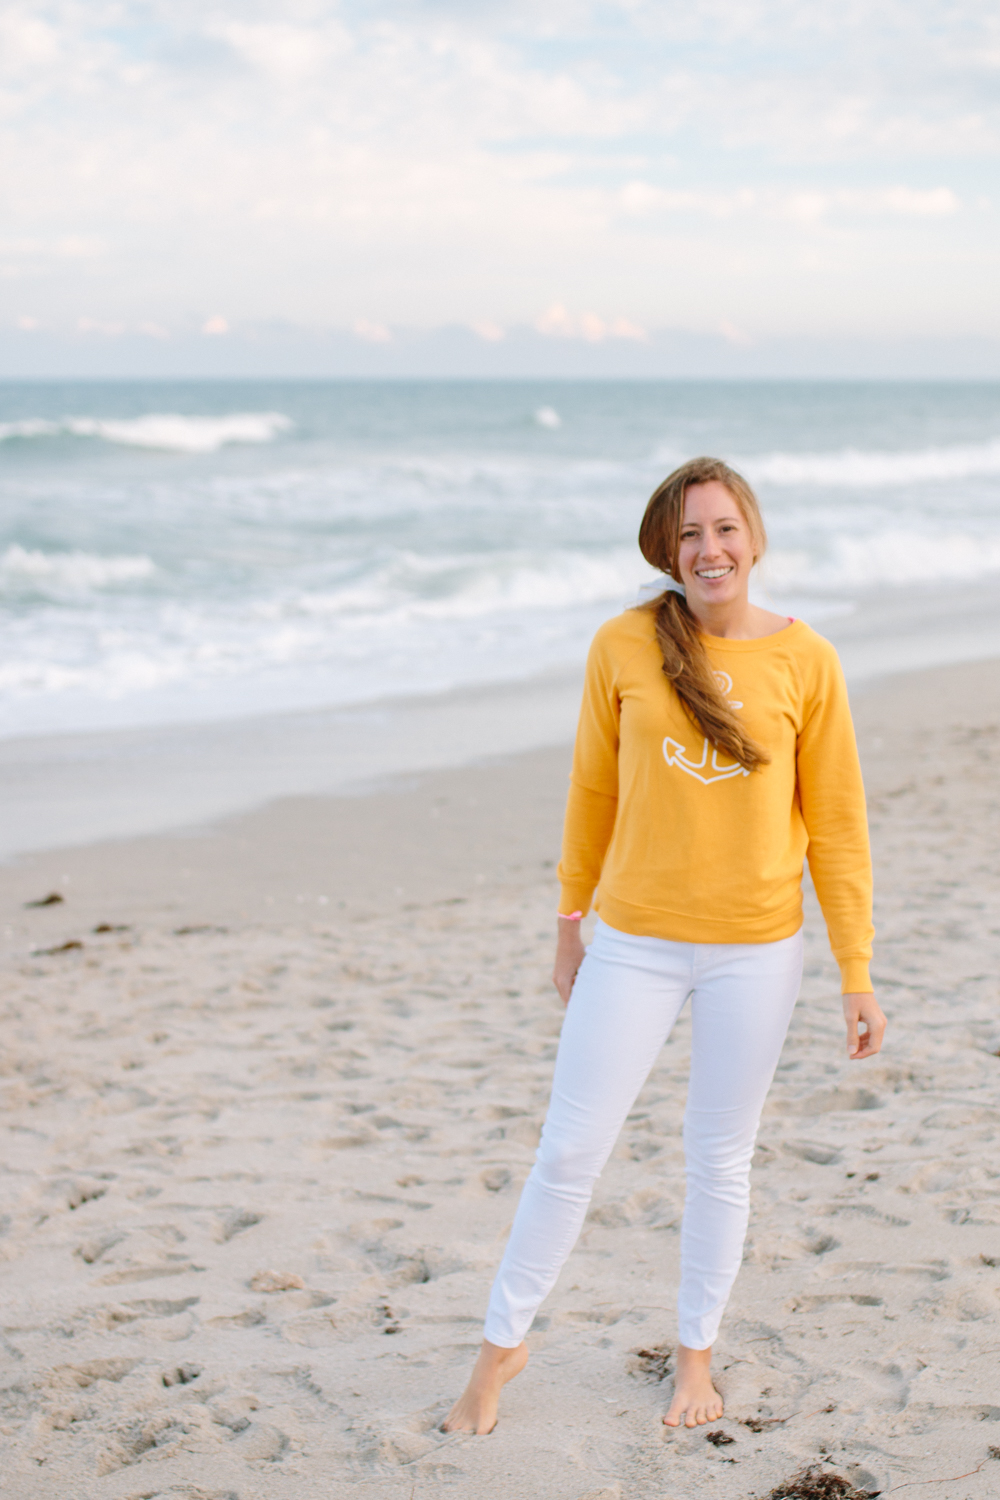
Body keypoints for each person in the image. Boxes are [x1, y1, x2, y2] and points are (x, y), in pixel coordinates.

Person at [443, 456, 886, 1435]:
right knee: (569, 1151)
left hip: (755, 951)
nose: (709, 549)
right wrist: (570, 923)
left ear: (754, 537)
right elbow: (590, 793)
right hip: (633, 941)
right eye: (689, 534)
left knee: (718, 1158)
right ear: (665, 549)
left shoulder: (807, 661)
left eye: (724, 528)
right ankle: (495, 1355)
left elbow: (839, 826)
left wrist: (856, 972)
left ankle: (695, 1362)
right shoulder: (623, 646)